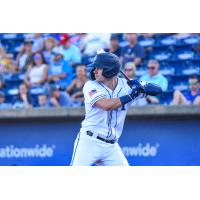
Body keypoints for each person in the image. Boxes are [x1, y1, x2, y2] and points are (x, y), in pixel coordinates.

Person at [70, 51, 162, 166]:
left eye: (98, 68)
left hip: (111, 146)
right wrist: (131, 95)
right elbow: (106, 105)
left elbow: (158, 90)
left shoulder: (127, 86)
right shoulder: (91, 85)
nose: (95, 71)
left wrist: (141, 86)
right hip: (89, 141)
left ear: (110, 70)